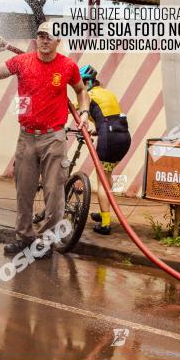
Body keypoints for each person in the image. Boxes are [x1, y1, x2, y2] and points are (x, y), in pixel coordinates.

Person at [0, 22, 90, 256]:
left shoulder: (68, 66)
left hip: (54, 138)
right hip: (27, 137)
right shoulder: (22, 62)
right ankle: (25, 238)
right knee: (24, 192)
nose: (44, 40)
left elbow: (81, 91)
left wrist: (83, 112)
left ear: (58, 41)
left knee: (54, 195)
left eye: (49, 37)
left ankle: (46, 243)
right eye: (40, 35)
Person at [79, 65, 131, 235]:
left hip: (109, 139)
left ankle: (105, 224)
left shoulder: (88, 94)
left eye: (79, 85)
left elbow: (72, 108)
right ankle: (104, 212)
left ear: (86, 83)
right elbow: (109, 117)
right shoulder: (108, 93)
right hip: (123, 138)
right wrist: (98, 130)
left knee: (101, 180)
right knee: (107, 175)